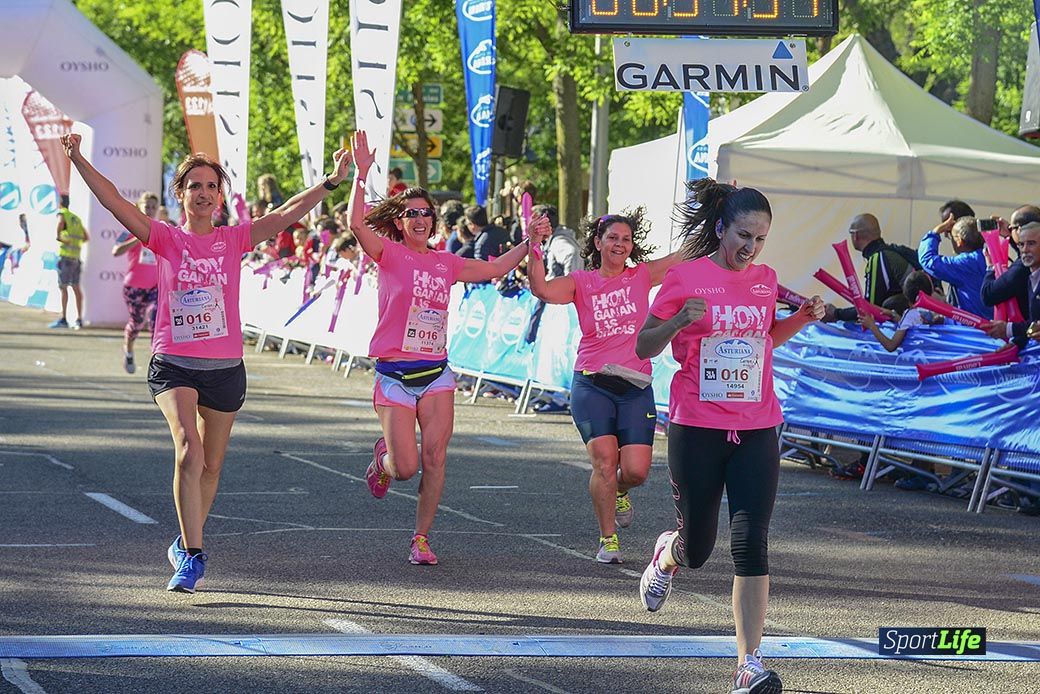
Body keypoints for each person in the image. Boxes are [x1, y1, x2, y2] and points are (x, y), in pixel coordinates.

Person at [61, 132, 352, 593]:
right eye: (194, 185)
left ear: (220, 196)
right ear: (181, 194)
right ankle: (194, 557)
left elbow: (285, 213)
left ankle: (185, 539)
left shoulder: (234, 239)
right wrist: (78, 159)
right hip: (174, 362)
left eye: (211, 186)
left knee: (212, 465)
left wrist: (332, 182)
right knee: (187, 450)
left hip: (224, 367)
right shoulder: (164, 238)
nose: (203, 192)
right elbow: (115, 201)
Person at [634, 178, 824, 694]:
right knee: (698, 548)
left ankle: (748, 663)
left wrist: (800, 319)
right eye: (744, 235)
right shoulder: (684, 277)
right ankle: (666, 556)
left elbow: (763, 340)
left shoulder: (765, 280)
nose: (751, 248)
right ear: (721, 228)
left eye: (760, 239)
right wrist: (675, 324)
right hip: (697, 425)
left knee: (750, 542)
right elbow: (644, 345)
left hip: (758, 424)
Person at [348, 130, 549, 565]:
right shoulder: (389, 254)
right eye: (411, 214)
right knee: (405, 467)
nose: (420, 219)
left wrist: (529, 242)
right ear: (400, 222)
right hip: (395, 376)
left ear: (433, 221)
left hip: (436, 373)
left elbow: (495, 266)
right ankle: (381, 461)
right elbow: (357, 225)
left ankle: (420, 538)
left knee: (435, 457)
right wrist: (361, 176)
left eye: (426, 213)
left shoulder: (446, 261)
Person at [527, 208, 682, 563]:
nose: (619, 244)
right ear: (597, 242)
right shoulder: (581, 281)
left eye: (626, 239)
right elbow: (542, 289)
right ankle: (608, 538)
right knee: (603, 463)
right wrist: (534, 246)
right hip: (592, 384)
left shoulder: (642, 276)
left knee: (636, 470)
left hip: (635, 385)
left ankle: (621, 490)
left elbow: (682, 256)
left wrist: (719, 212)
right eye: (612, 238)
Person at [825, 213, 918, 323]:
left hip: (909, 322)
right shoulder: (890, 252)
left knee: (888, 304)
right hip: (917, 318)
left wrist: (836, 313)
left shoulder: (878, 258)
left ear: (856, 235)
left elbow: (870, 309)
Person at [112, 192, 161, 373]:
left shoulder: (160, 229)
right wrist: (137, 238)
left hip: (156, 286)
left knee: (157, 318)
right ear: (139, 207)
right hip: (134, 286)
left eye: (153, 207)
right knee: (137, 322)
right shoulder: (129, 229)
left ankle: (157, 359)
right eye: (146, 206)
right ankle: (129, 351)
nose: (149, 210)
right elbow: (115, 251)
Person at [917, 216, 991, 319]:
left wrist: (935, 232)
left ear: (959, 241)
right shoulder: (991, 256)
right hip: (996, 324)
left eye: (951, 237)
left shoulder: (965, 263)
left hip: (973, 328)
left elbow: (928, 260)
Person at [859, 271, 941, 353]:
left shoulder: (910, 315)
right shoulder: (933, 311)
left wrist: (872, 326)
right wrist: (894, 315)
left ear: (905, 294)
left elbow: (891, 346)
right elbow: (910, 326)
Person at [49, 194, 89, 329]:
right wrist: (75, 242)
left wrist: (60, 237)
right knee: (76, 287)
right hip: (76, 257)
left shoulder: (62, 214)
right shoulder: (76, 218)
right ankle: (79, 319)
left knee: (63, 287)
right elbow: (86, 236)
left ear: (60, 202)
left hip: (66, 257)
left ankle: (64, 318)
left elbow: (59, 226)